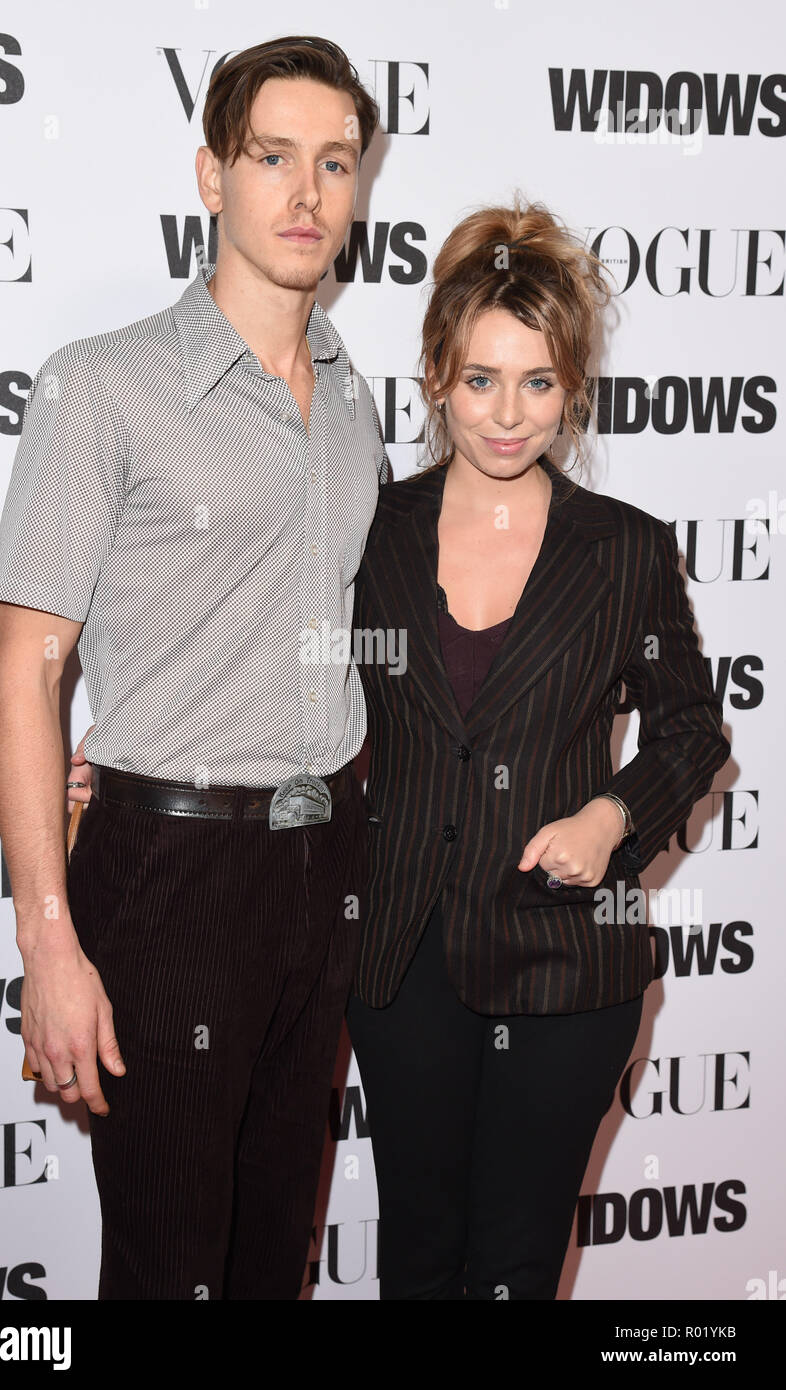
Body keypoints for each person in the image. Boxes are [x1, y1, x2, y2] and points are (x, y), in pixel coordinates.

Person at [0, 36, 389, 1301]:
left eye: (335, 163)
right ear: (211, 173)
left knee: (273, 1259)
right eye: (274, 157)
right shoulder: (98, 388)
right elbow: (21, 676)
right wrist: (48, 939)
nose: (307, 194)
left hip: (321, 867)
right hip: (167, 879)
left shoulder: (354, 397)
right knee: (166, 1270)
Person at [343, 199, 732, 1299]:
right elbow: (294, 700)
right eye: (479, 379)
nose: (507, 415)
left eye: (537, 382)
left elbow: (688, 726)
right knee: (417, 1257)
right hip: (402, 958)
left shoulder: (623, 551)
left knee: (513, 1269)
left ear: (571, 387)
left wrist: (612, 819)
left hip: (566, 962)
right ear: (431, 375)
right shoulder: (367, 536)